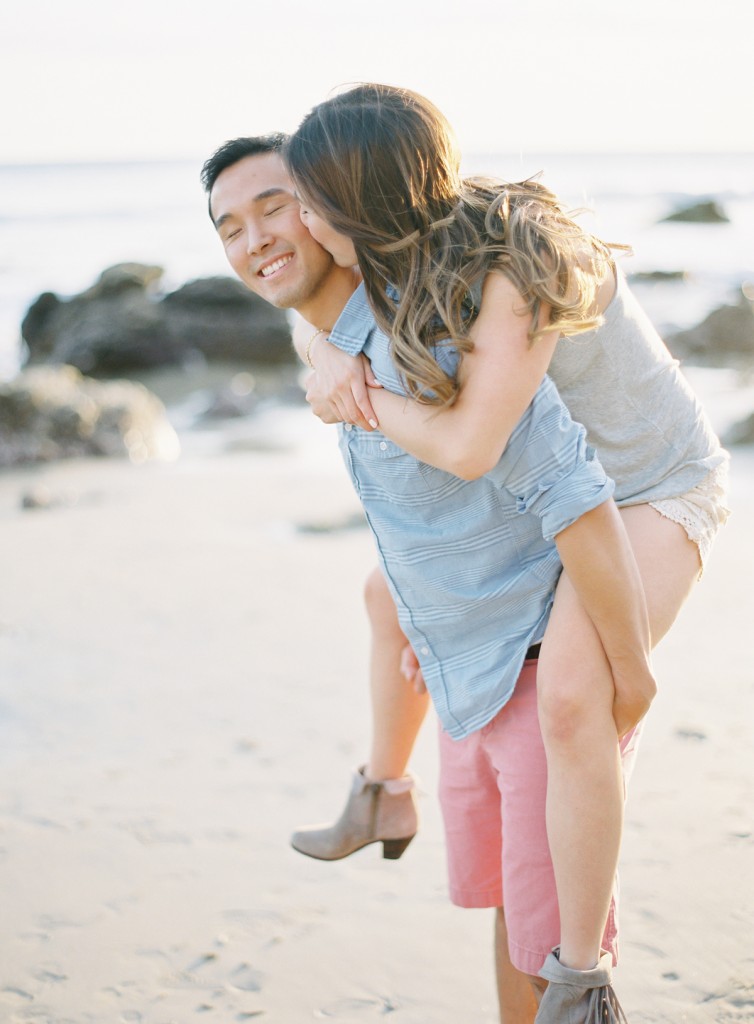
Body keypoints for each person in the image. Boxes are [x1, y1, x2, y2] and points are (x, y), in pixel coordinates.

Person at [279, 83, 729, 1022]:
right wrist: (324, 358)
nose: (298, 216)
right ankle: (381, 787)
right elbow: (304, 306)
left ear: (357, 198)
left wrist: (353, 392)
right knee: (384, 593)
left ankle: (579, 979)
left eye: (309, 196)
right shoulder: (399, 253)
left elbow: (471, 445)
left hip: (652, 484)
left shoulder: (510, 262)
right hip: (557, 504)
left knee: (572, 695)